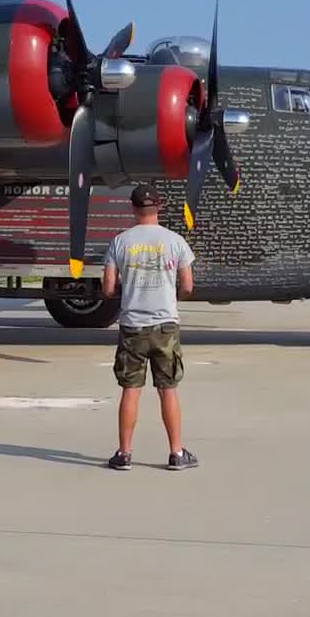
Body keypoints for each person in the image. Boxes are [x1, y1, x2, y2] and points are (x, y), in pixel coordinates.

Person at [101, 184, 199, 471]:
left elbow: (107, 288)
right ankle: (177, 453)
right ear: (160, 207)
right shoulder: (175, 241)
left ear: (132, 209)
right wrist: (170, 297)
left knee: (131, 389)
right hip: (165, 325)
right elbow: (188, 285)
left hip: (133, 325)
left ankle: (124, 453)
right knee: (168, 389)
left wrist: (128, 290)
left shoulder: (120, 242)